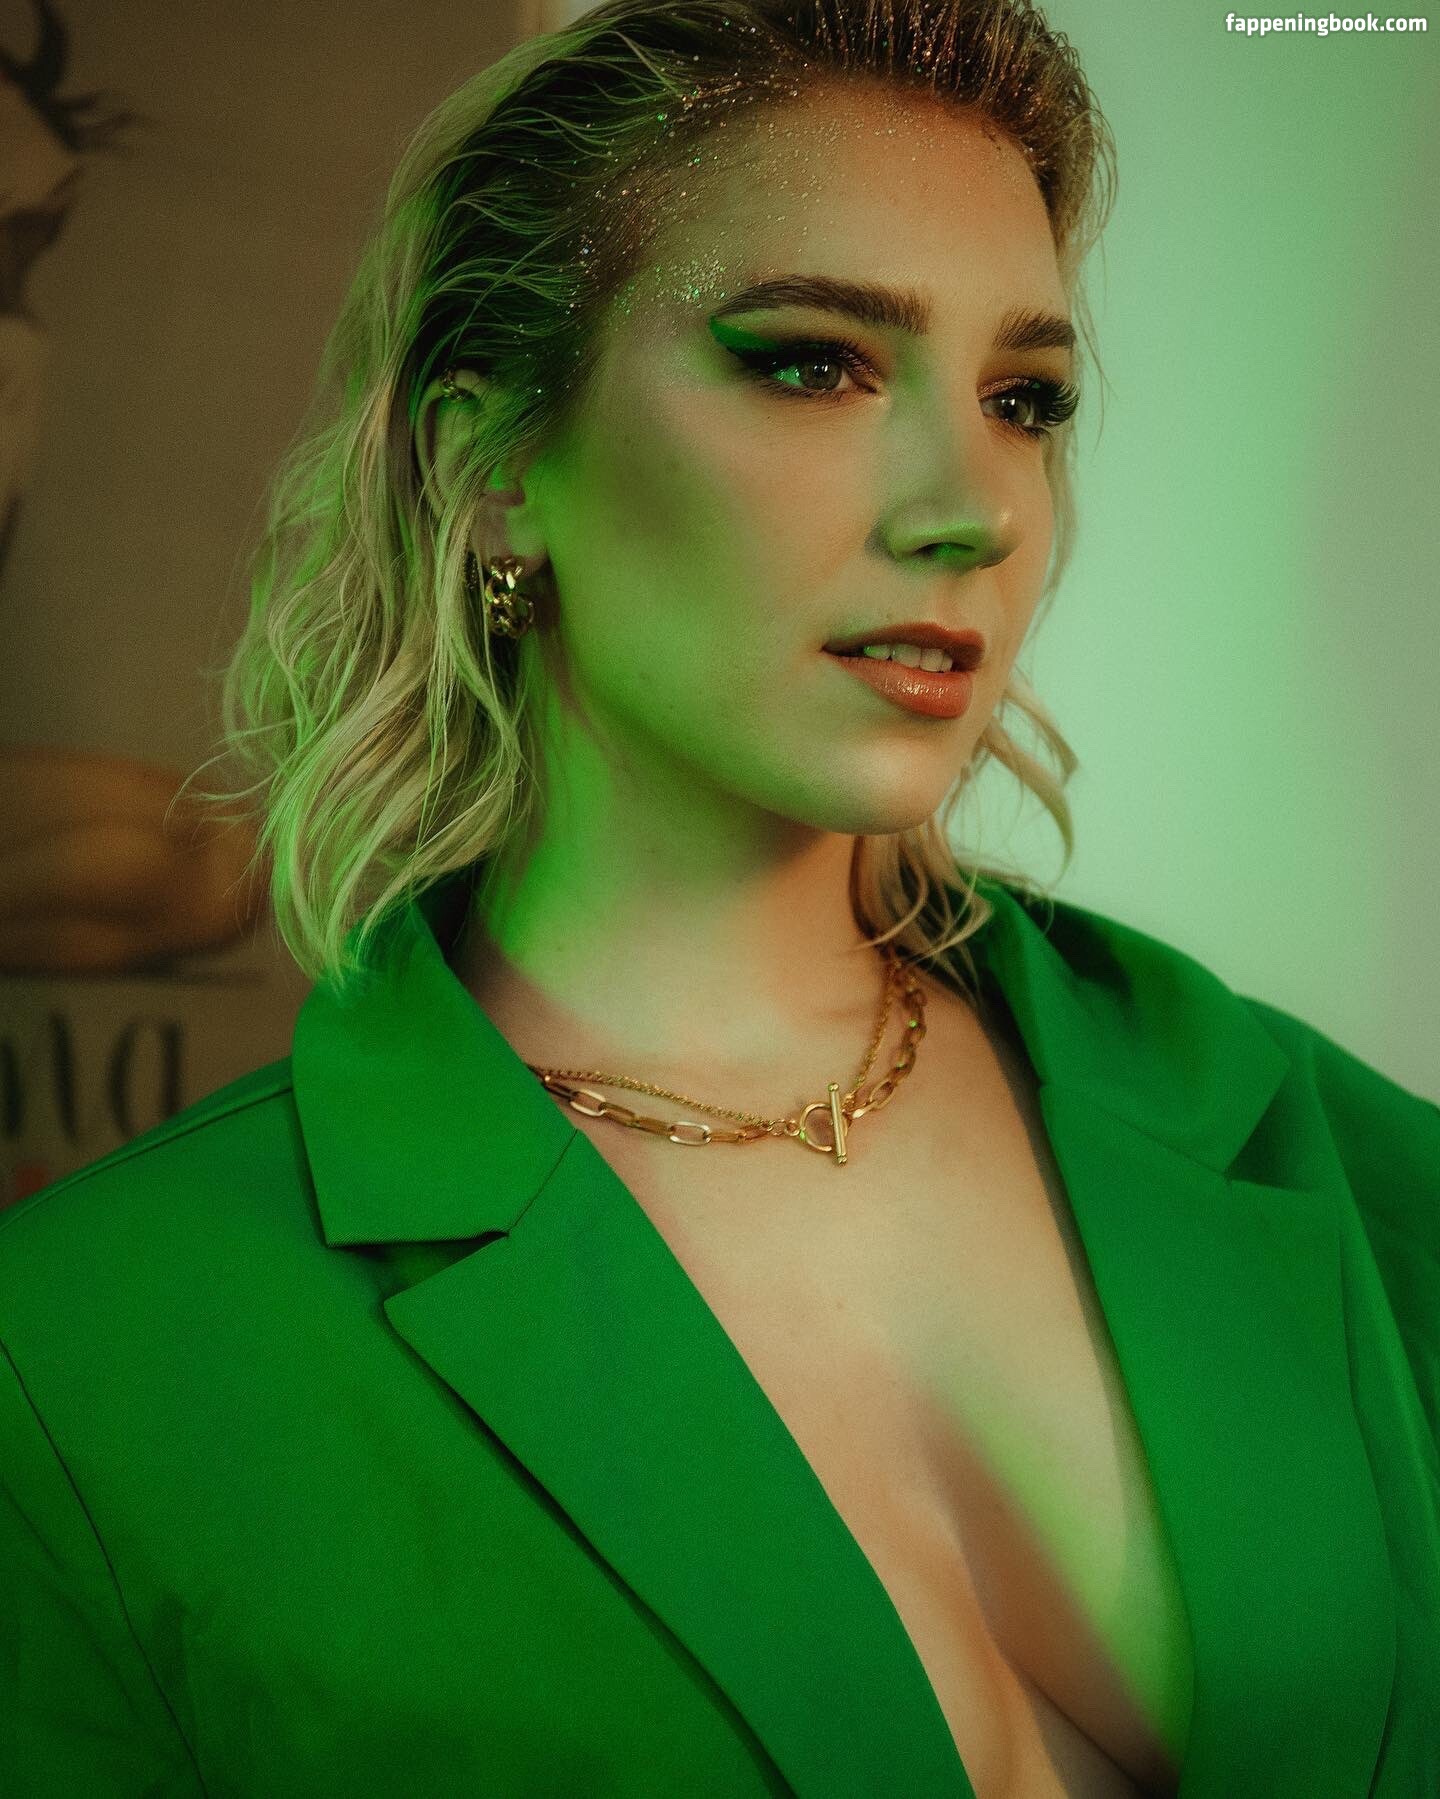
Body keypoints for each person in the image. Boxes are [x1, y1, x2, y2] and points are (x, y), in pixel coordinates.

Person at [2, 1, 1436, 1794]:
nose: (974, 508)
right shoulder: (87, 1354)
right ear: (492, 466)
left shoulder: (1314, 1146)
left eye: (1025, 400)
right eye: (815, 363)